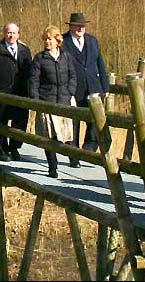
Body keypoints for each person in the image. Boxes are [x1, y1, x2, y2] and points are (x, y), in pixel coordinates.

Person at [61, 12, 110, 163]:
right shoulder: (63, 41)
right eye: (78, 26)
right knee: (74, 123)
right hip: (74, 89)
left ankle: (88, 150)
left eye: (83, 26)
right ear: (71, 26)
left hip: (94, 88)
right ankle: (73, 155)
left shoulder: (92, 41)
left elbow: (100, 64)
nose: (81, 28)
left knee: (94, 121)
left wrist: (105, 87)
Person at [30, 25, 77, 178]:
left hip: (64, 101)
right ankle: (53, 167)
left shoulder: (66, 56)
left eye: (49, 39)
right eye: (45, 39)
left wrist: (70, 91)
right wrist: (36, 101)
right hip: (47, 102)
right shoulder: (40, 58)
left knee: (68, 134)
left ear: (57, 40)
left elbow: (73, 75)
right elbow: (34, 81)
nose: (47, 42)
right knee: (49, 136)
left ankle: (73, 159)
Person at [0, 23, 32, 161]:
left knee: (20, 122)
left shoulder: (25, 50)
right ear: (4, 33)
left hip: (20, 92)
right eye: (8, 33)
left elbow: (30, 72)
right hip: (3, 91)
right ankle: (2, 149)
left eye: (13, 33)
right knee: (2, 121)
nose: (11, 35)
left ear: (18, 34)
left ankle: (14, 147)